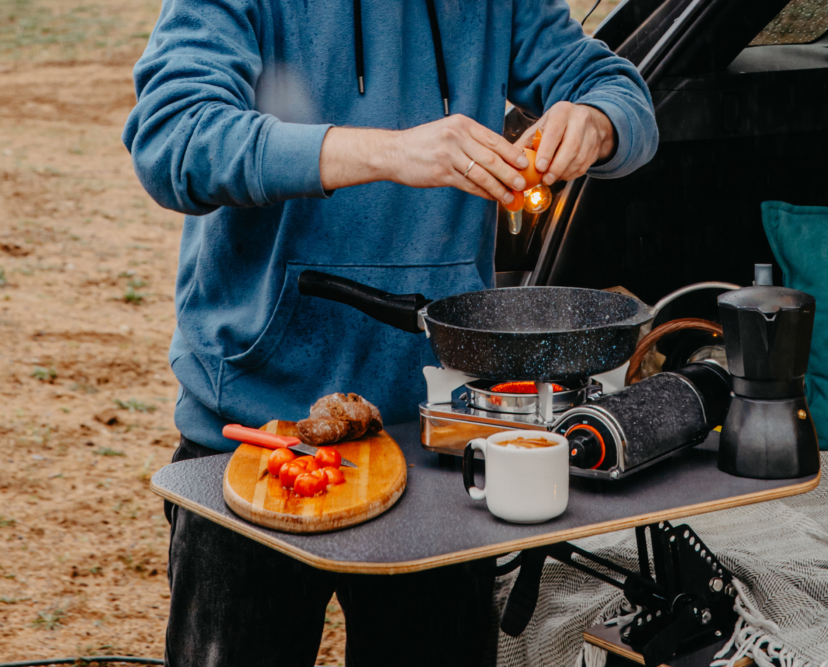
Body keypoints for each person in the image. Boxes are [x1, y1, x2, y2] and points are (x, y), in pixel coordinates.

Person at [123, 0, 658, 665]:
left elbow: (623, 93)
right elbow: (172, 137)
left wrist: (597, 121)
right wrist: (389, 151)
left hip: (434, 430)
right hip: (254, 435)